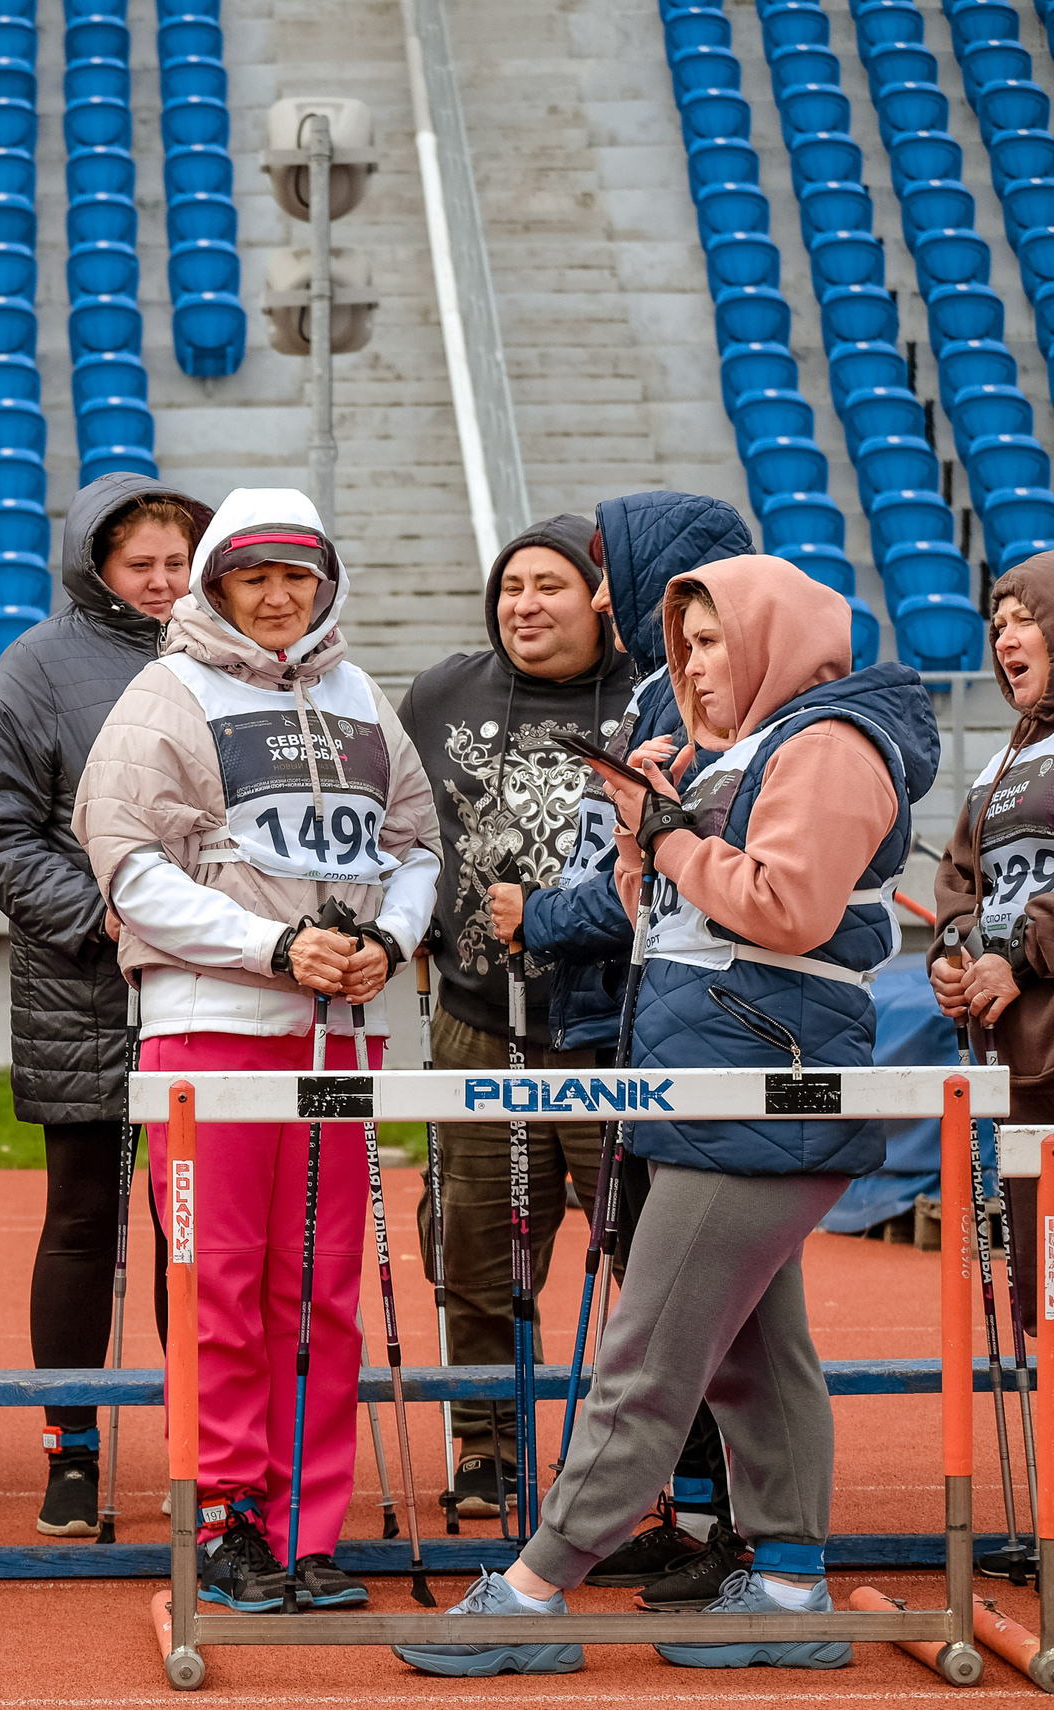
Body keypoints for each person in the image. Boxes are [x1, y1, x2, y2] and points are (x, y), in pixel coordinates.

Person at [397, 554, 935, 1676]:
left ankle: (536, 1591)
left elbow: (784, 909)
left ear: (773, 640)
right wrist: (647, 824)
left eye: (713, 642)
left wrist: (673, 832)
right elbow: (676, 917)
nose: (691, 667)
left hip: (759, 1090)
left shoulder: (828, 747)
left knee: (645, 1356)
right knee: (752, 1353)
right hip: (720, 1085)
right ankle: (788, 1587)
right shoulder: (754, 748)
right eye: (682, 645)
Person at [74, 488, 441, 1614]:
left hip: (340, 1042)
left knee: (324, 1288)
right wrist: (275, 945)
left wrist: (385, 937)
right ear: (215, 584)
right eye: (252, 577)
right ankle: (229, 1515)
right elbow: (128, 867)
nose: (278, 597)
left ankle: (305, 1527)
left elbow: (416, 847)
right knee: (219, 1285)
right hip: (209, 1034)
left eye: (297, 576)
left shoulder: (361, 696)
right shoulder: (164, 692)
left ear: (324, 582)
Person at [487, 490, 755, 1603]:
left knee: (697, 1302)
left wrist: (537, 919)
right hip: (638, 1020)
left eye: (607, 574)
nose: (595, 597)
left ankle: (733, 1524)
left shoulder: (714, 688)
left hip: (701, 1021)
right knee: (648, 1272)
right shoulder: (658, 682)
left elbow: (657, 872)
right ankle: (690, 1510)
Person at [0, 472, 214, 1537]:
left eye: (176, 564)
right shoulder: (37, 664)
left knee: (192, 1229)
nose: (159, 584)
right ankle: (69, 1449)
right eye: (138, 565)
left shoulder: (237, 657)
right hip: (83, 983)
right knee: (81, 1221)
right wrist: (107, 919)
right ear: (95, 567)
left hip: (214, 981)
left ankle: (199, 1450)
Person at [396, 514, 634, 1519]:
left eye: (550, 586)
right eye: (510, 588)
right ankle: (487, 1441)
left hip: (608, 1030)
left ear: (599, 601)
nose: (524, 606)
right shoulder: (441, 692)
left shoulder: (644, 698)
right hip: (474, 1020)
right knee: (475, 1243)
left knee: (639, 1243)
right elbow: (397, 820)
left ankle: (662, 1446)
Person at [933, 553, 1054, 1336]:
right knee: (1037, 1303)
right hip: (1018, 1066)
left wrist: (1019, 957)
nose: (1005, 637)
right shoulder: (1000, 762)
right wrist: (952, 958)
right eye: (996, 625)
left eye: (1026, 619)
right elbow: (959, 881)